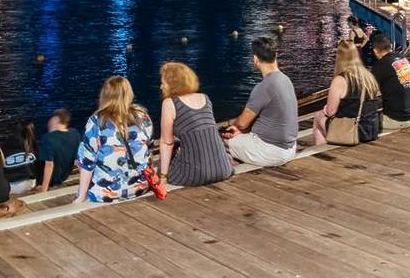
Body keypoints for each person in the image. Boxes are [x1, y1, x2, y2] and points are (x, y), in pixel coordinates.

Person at [75, 76, 153, 203]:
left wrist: (81, 196)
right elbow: (148, 150)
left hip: (104, 194)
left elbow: (86, 162)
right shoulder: (142, 116)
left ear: (105, 94)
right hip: (139, 187)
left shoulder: (97, 121)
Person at [222, 37, 298, 167]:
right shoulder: (285, 80)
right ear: (276, 56)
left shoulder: (264, 86)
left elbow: (243, 123)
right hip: (290, 149)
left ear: (255, 59)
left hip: (270, 152)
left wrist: (235, 127)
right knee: (239, 135)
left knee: (222, 139)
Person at [158, 62, 233, 186]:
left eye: (163, 82)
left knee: (169, 164)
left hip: (196, 175)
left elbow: (167, 143)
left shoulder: (169, 103)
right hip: (223, 168)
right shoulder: (205, 97)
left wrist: (163, 177)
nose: (161, 86)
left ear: (173, 84)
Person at [312, 41, 382, 145]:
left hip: (352, 131)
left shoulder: (340, 80)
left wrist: (325, 109)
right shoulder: (368, 76)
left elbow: (331, 112)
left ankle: (321, 151)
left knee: (318, 117)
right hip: (370, 129)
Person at [367, 32, 410, 129]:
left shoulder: (380, 65)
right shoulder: (402, 59)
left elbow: (369, 91)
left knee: (366, 121)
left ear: (375, 51)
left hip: (397, 120)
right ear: (390, 46)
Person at [38, 109, 81, 192]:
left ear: (56, 120)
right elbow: (78, 160)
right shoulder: (75, 133)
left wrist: (44, 190)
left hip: (52, 179)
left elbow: (49, 165)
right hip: (65, 175)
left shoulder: (49, 138)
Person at [2, 119, 41, 196]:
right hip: (30, 183)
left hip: (11, 186)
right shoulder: (33, 145)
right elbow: (38, 167)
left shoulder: (5, 145)